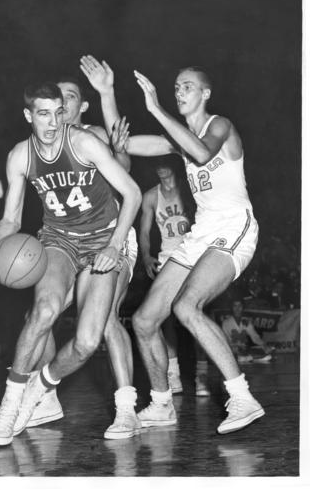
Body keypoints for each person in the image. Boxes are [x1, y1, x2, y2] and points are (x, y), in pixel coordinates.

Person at [0, 77, 141, 440]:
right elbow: (11, 220)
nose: (51, 123)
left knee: (88, 341)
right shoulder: (20, 156)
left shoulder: (83, 142)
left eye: (57, 113)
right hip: (59, 239)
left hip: (104, 239)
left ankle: (41, 387)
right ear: (28, 115)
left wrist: (114, 245)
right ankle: (10, 404)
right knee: (43, 311)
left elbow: (133, 192)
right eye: (43, 115)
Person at [108, 63, 264, 434]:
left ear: (205, 94)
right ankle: (161, 403)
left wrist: (156, 108)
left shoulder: (220, 125)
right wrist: (106, 93)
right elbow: (123, 143)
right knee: (145, 321)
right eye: (176, 87)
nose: (179, 92)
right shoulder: (180, 139)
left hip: (234, 226)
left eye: (187, 86)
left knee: (186, 306)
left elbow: (202, 154)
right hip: (201, 232)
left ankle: (242, 396)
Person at [139, 155, 209, 396]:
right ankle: (174, 374)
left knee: (196, 313)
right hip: (167, 257)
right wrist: (146, 256)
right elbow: (145, 232)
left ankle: (202, 376)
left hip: (194, 254)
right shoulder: (150, 196)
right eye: (155, 163)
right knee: (164, 319)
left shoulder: (189, 189)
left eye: (164, 162)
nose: (159, 167)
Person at [222, 298, 273, 363]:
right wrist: (235, 347)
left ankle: (248, 357)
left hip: (245, 349)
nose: (237, 308)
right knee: (231, 352)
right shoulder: (226, 323)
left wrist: (264, 345)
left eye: (239, 306)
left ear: (243, 307)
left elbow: (255, 337)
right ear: (231, 307)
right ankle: (252, 357)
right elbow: (225, 340)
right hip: (232, 350)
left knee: (264, 349)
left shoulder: (246, 321)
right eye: (235, 306)